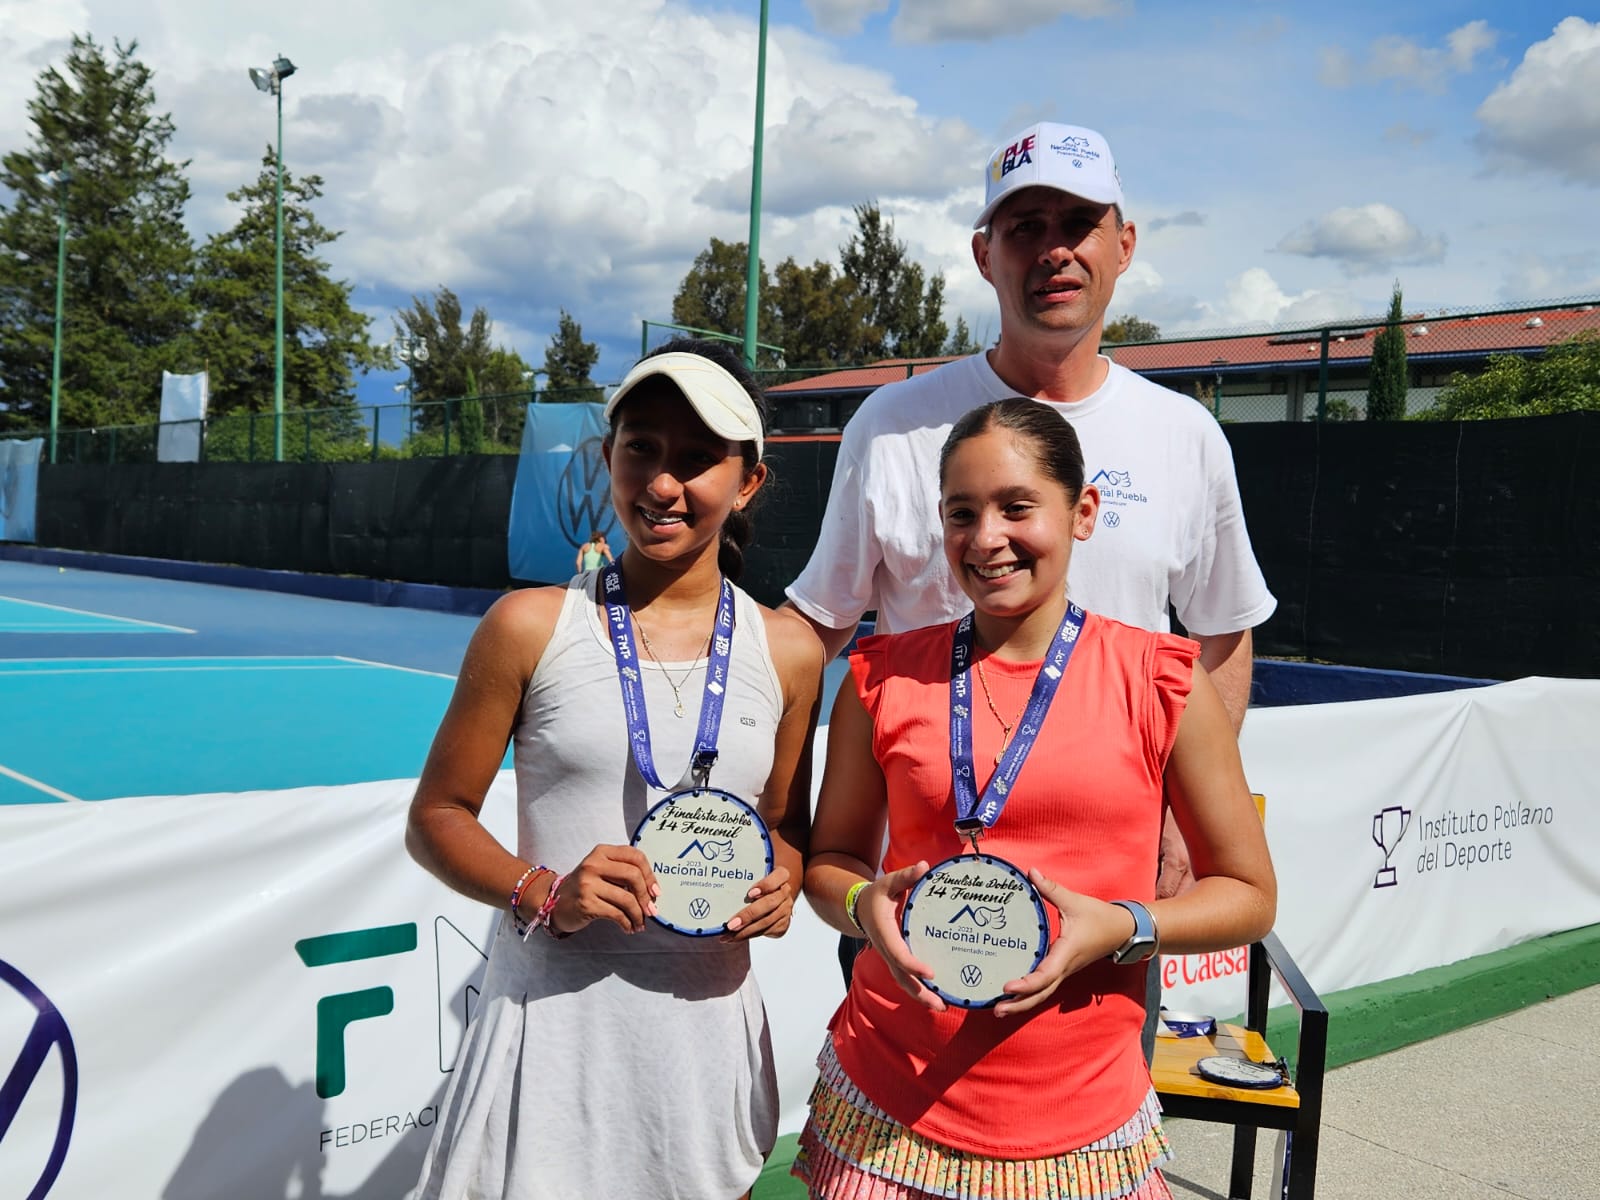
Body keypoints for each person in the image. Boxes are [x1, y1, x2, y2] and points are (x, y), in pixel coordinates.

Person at [785, 122, 1276, 1046]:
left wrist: (1185, 823)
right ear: (984, 253)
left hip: (1100, 915)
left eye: (1080, 222)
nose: (1054, 249)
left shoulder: (1186, 435)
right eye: (1024, 226)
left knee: (1076, 1125)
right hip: (913, 909)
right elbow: (816, 627)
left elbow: (1222, 632)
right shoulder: (892, 425)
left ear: (1123, 245)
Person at [793, 398, 1277, 1199]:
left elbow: (1250, 896)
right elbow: (832, 861)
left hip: (1080, 1122)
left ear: (1082, 512)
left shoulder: (1164, 679)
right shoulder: (880, 678)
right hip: (887, 1108)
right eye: (961, 513)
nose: (987, 539)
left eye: (1017, 507)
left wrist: (1122, 926)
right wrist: (861, 904)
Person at [407, 338, 824, 1199]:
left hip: (704, 1053)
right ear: (609, 459)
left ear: (748, 483)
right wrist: (543, 891)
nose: (663, 484)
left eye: (699, 459)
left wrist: (783, 884)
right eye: (642, 449)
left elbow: (784, 829)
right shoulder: (528, 625)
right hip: (547, 1040)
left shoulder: (789, 651)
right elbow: (437, 816)